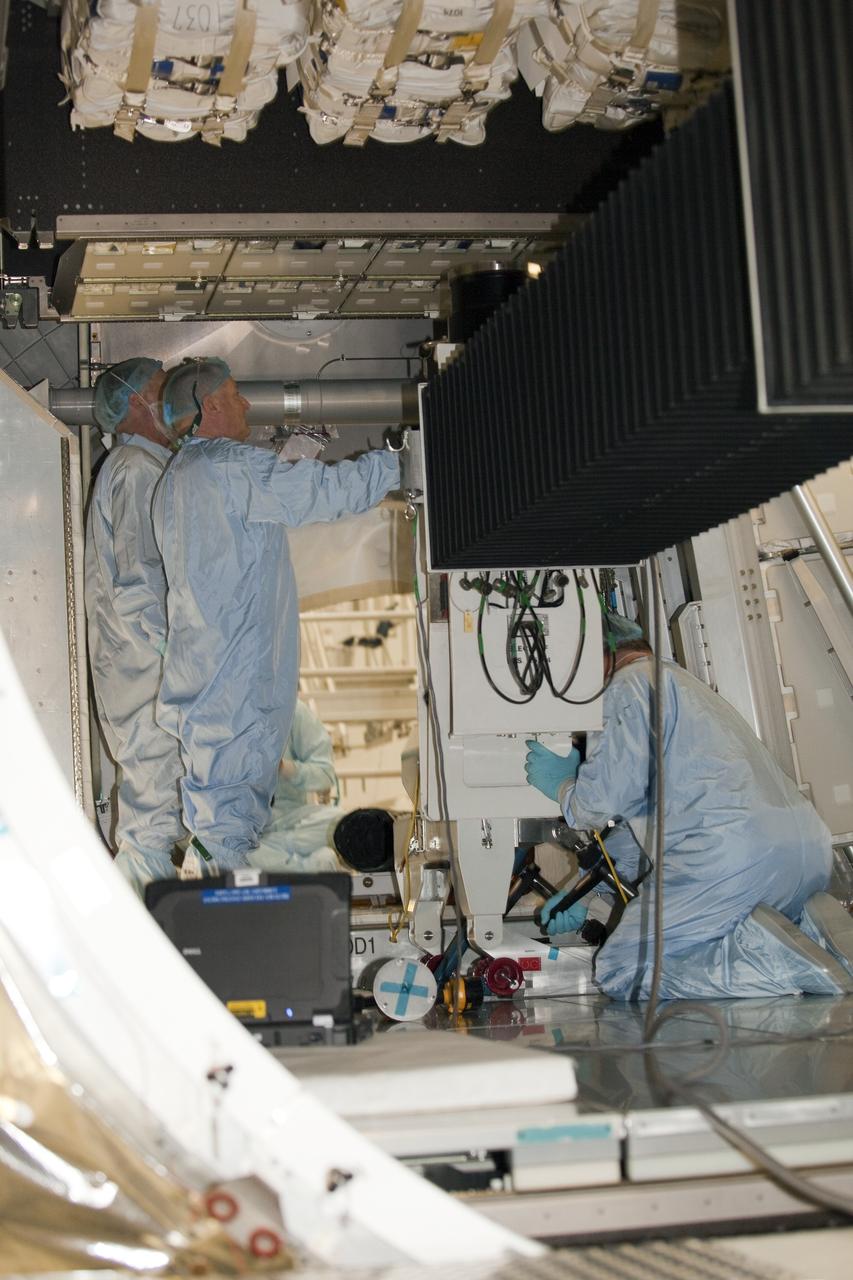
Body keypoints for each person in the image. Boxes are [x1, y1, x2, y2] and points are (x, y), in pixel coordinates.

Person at [152, 357, 400, 872]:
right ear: (210, 403)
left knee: (222, 820)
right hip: (236, 678)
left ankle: (214, 907)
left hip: (212, 675)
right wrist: (404, 460)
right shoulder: (225, 465)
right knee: (226, 828)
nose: (246, 404)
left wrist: (289, 464)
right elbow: (322, 494)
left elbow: (247, 534)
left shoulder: (178, 478)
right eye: (236, 393)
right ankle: (217, 925)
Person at [524, 615, 852, 1000]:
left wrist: (563, 785)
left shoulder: (628, 687)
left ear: (597, 656)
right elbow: (642, 828)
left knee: (624, 969)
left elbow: (595, 805)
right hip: (802, 852)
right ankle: (825, 938)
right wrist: (592, 898)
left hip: (729, 857)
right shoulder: (686, 686)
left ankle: (785, 968)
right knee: (724, 939)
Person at [84, 357, 186, 896]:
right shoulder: (133, 468)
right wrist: (182, 656)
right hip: (146, 671)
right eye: (161, 390)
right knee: (151, 814)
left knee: (158, 807)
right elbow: (137, 580)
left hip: (146, 670)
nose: (172, 400)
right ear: (135, 405)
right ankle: (138, 941)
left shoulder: (149, 468)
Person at [250, 700, 343, 873]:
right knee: (207, 846)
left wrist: (283, 767)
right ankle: (310, 868)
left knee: (342, 823)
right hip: (244, 828)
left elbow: (324, 775)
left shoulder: (293, 711)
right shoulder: (218, 716)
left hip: (291, 821)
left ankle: (277, 862)